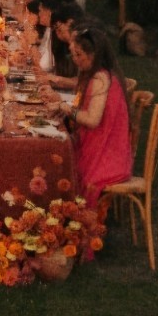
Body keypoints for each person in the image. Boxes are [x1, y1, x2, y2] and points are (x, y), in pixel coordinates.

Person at [51, 28, 132, 212]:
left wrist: (66, 108)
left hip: (106, 155)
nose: (76, 59)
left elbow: (93, 120)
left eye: (79, 55)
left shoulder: (100, 78)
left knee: (63, 166)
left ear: (93, 54)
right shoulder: (97, 74)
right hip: (99, 145)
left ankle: (68, 220)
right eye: (73, 54)